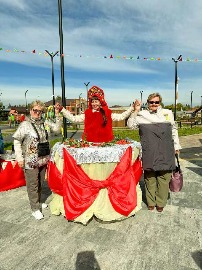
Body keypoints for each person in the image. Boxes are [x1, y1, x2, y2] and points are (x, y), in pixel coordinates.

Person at [127, 93, 181, 212]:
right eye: (151, 102)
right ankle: (151, 202)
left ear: (160, 102)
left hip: (166, 150)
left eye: (156, 102)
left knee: (164, 177)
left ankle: (160, 202)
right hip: (149, 151)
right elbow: (130, 126)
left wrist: (176, 146)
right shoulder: (142, 114)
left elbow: (174, 130)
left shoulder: (168, 113)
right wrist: (135, 110)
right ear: (148, 103)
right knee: (150, 178)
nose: (154, 104)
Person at [13, 100, 62, 220]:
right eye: (35, 110)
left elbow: (56, 129)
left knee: (40, 182)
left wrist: (57, 113)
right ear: (31, 111)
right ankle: (34, 209)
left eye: (40, 111)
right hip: (30, 160)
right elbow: (17, 140)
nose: (37, 113)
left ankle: (39, 202)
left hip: (43, 158)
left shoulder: (44, 122)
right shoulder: (25, 124)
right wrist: (19, 157)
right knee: (33, 184)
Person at [55, 85, 134, 143]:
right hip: (89, 144)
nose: (94, 104)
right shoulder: (87, 113)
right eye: (92, 102)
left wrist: (131, 108)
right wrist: (62, 109)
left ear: (100, 102)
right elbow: (74, 119)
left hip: (105, 144)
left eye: (96, 101)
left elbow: (121, 117)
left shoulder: (107, 112)